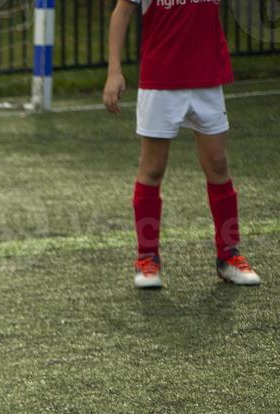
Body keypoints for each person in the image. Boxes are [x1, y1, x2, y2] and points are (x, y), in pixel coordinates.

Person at [103, 0, 260, 289]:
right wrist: (114, 71)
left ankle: (229, 255)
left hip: (207, 79)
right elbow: (121, 11)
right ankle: (147, 258)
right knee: (152, 168)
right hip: (160, 80)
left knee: (217, 164)